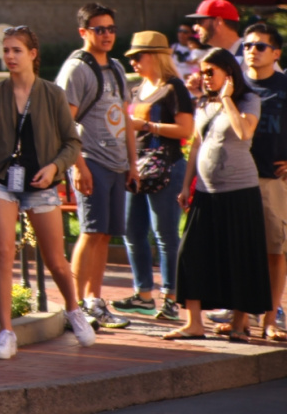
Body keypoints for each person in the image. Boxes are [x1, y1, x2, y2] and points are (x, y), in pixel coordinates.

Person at [0, 26, 94, 357]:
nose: (9, 56)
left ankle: (74, 310)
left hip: (42, 182)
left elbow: (72, 141)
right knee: (3, 252)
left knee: (56, 261)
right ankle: (6, 332)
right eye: (6, 50)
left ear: (33, 54)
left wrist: (54, 167)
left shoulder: (51, 93)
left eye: (16, 50)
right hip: (2, 180)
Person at [167, 48, 271, 340]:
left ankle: (240, 323)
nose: (204, 77)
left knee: (241, 254)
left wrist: (227, 98)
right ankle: (194, 323)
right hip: (205, 191)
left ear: (228, 72)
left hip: (239, 190)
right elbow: (196, 146)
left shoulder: (248, 99)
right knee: (190, 252)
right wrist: (187, 186)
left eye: (210, 72)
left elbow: (244, 133)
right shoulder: (203, 103)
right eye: (202, 72)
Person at [57, 1, 136, 329]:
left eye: (111, 29)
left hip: (118, 163)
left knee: (105, 235)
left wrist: (132, 162)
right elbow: (64, 122)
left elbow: (127, 119)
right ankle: (73, 308)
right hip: (91, 160)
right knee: (90, 233)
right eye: (99, 29)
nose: (106, 35)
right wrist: (78, 165)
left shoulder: (117, 67)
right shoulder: (77, 69)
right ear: (84, 32)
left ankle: (94, 301)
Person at [112, 31, 194, 322]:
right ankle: (143, 294)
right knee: (132, 232)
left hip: (167, 165)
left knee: (165, 235)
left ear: (156, 56)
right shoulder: (136, 88)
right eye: (131, 57)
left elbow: (186, 130)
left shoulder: (174, 89)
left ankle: (170, 297)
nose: (133, 61)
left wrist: (146, 124)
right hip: (137, 167)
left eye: (138, 56)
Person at [242, 22, 287, 341]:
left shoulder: (285, 86)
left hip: (274, 180)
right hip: (237, 180)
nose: (252, 52)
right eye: (247, 46)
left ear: (276, 53)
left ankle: (270, 319)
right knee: (242, 251)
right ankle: (239, 318)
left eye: (259, 46)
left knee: (275, 251)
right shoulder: (235, 86)